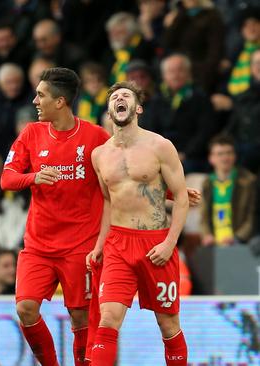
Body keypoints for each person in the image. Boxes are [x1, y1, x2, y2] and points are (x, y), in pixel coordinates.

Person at [1, 67, 111, 365]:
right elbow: (7, 179)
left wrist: (171, 192)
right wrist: (33, 178)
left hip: (80, 245)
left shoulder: (95, 137)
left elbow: (121, 177)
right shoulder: (31, 134)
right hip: (38, 245)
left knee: (80, 318)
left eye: (41, 95)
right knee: (25, 308)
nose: (35, 101)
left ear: (60, 101)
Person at [90, 81, 189, 364]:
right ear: (109, 111)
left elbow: (181, 198)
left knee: (168, 325)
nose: (120, 99)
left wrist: (170, 243)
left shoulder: (160, 146)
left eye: (126, 96)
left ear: (138, 108)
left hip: (156, 245)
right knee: (107, 319)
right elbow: (109, 201)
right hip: (118, 244)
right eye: (114, 98)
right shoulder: (100, 155)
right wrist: (99, 245)